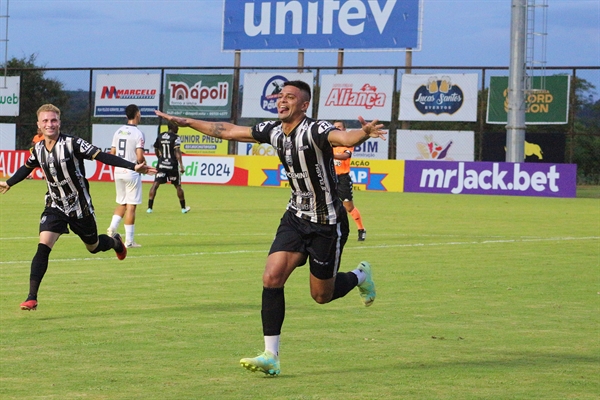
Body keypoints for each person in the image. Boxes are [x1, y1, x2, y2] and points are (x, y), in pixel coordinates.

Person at [155, 80, 386, 376]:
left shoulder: (315, 130)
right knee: (271, 277)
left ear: (304, 105)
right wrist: (186, 122)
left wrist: (363, 133)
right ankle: (270, 355)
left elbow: (345, 137)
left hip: (326, 223)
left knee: (321, 296)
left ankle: (360, 275)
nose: (282, 100)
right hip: (295, 217)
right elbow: (225, 130)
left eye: (290, 97)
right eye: (280, 96)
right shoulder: (273, 130)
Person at [0, 104, 156, 311]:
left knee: (93, 247)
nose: (50, 124)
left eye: (53, 120)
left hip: (80, 207)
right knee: (43, 245)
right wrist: (9, 183)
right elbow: (27, 167)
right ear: (39, 124)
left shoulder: (72, 143)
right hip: (54, 205)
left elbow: (102, 156)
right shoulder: (37, 149)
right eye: (45, 121)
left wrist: (133, 166)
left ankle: (116, 243)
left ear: (59, 122)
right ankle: (32, 297)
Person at [106, 104, 147, 248]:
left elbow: (112, 153)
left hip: (118, 171)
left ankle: (112, 228)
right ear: (137, 114)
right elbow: (140, 156)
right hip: (131, 172)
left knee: (122, 202)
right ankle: (129, 241)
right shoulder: (138, 133)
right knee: (131, 206)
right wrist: (144, 166)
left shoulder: (118, 131)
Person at [333, 120, 367, 241]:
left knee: (348, 207)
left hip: (343, 178)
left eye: (339, 127)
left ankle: (361, 229)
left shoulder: (348, 143)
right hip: (330, 178)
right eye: (335, 127)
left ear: (344, 129)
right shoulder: (330, 143)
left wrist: (329, 155)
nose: (337, 128)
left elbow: (345, 156)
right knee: (329, 205)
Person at [146, 120, 190, 214]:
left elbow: (156, 148)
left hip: (162, 164)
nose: (178, 128)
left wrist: (159, 158)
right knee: (178, 186)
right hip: (172, 165)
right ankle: (183, 208)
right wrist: (181, 165)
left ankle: (149, 208)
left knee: (155, 184)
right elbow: (177, 151)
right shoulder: (176, 137)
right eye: (177, 126)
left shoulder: (160, 136)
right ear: (172, 127)